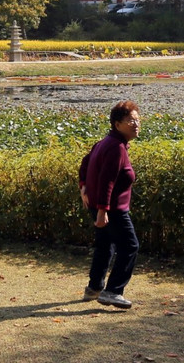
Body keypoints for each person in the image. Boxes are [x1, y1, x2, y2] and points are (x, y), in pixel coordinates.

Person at [78, 100, 141, 309]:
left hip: (98, 206)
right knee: (130, 246)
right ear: (117, 124)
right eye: (130, 120)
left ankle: (94, 288)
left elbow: (85, 163)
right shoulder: (116, 148)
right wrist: (103, 211)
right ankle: (113, 291)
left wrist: (84, 187)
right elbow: (108, 181)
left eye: (137, 120)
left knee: (105, 246)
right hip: (112, 209)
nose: (135, 124)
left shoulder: (106, 142)